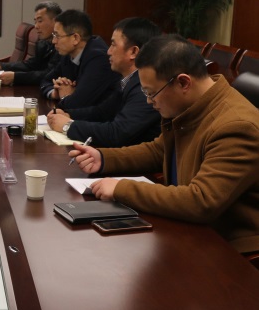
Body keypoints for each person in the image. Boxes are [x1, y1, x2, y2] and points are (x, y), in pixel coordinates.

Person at [71, 34, 259, 255]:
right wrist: (103, 158)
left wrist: (121, 188)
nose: (149, 101)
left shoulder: (237, 126)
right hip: (189, 230)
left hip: (228, 249)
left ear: (183, 82)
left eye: (151, 93)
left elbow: (201, 201)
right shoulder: (194, 106)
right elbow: (159, 150)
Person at [46, 17, 161, 147]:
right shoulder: (128, 80)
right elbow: (102, 112)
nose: (108, 51)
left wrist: (68, 126)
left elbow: (117, 133)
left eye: (113, 45)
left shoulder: (146, 88)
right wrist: (68, 114)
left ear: (133, 52)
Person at [40, 9, 120, 109]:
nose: (53, 41)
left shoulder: (99, 59)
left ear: (75, 38)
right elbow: (45, 80)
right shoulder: (68, 54)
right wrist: (54, 93)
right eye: (54, 35)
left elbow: (78, 103)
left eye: (57, 36)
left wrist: (66, 96)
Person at [0, 1, 62, 86]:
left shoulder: (63, 46)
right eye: (35, 22)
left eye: (40, 21)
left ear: (56, 21)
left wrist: (15, 77)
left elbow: (49, 75)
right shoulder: (42, 43)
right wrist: (0, 66)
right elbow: (30, 65)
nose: (36, 26)